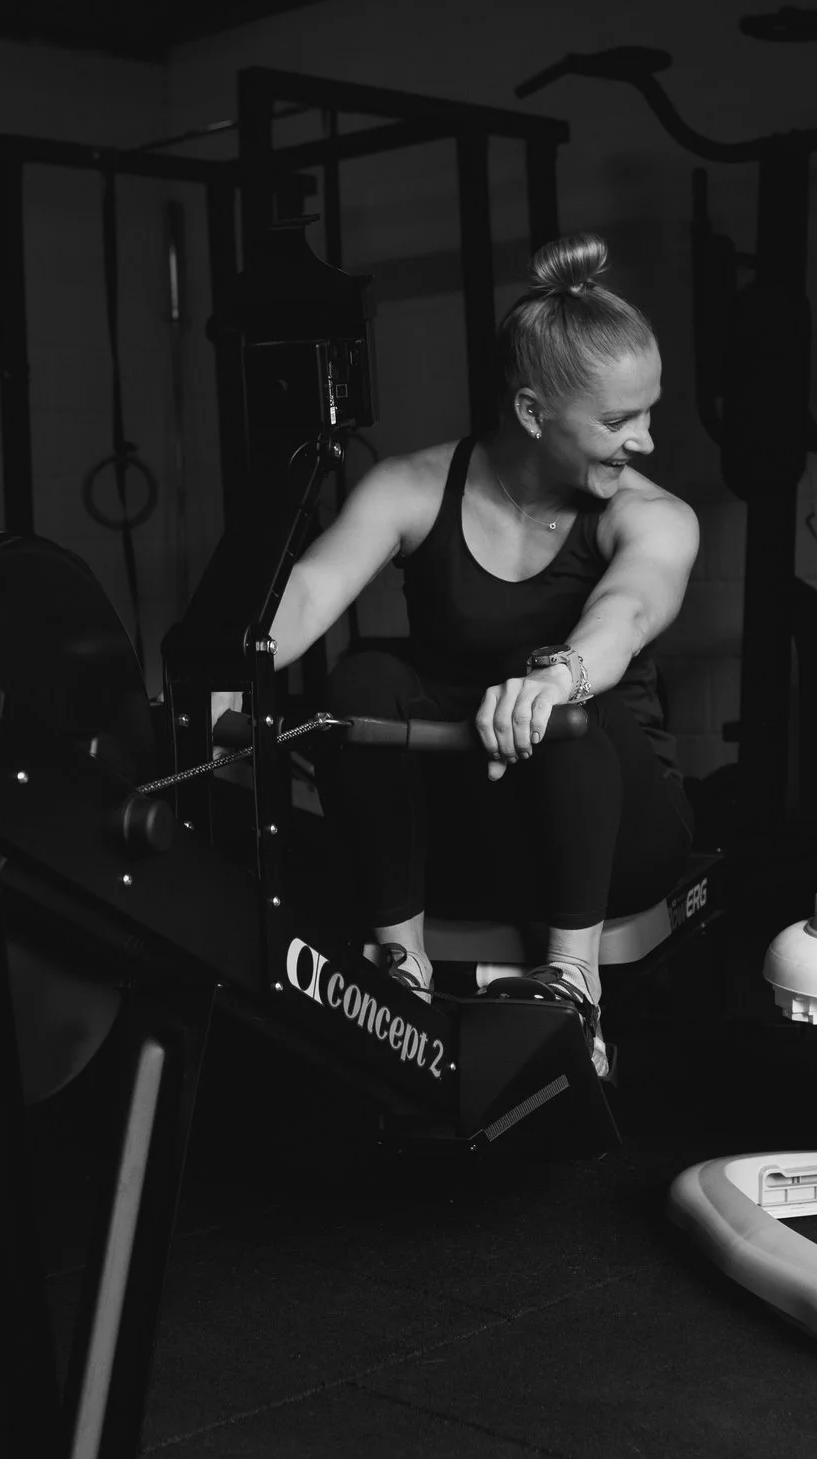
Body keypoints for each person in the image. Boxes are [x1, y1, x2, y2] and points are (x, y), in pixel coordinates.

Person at [262, 233, 700, 1077]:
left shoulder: (653, 515)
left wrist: (557, 676)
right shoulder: (410, 487)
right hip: (467, 830)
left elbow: (630, 607)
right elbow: (307, 598)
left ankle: (574, 981)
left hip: (616, 836)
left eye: (648, 412)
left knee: (561, 693)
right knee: (365, 677)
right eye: (618, 421)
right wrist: (214, 677)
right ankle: (400, 967)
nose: (645, 441)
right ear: (532, 412)